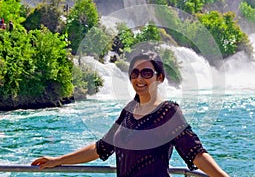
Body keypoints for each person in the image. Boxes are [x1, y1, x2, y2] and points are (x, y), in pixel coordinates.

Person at [31, 51, 229, 177]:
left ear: (159, 77)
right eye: (134, 73)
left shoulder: (168, 112)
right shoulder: (129, 111)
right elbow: (100, 148)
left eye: (146, 73)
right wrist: (57, 160)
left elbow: (195, 153)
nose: (139, 78)